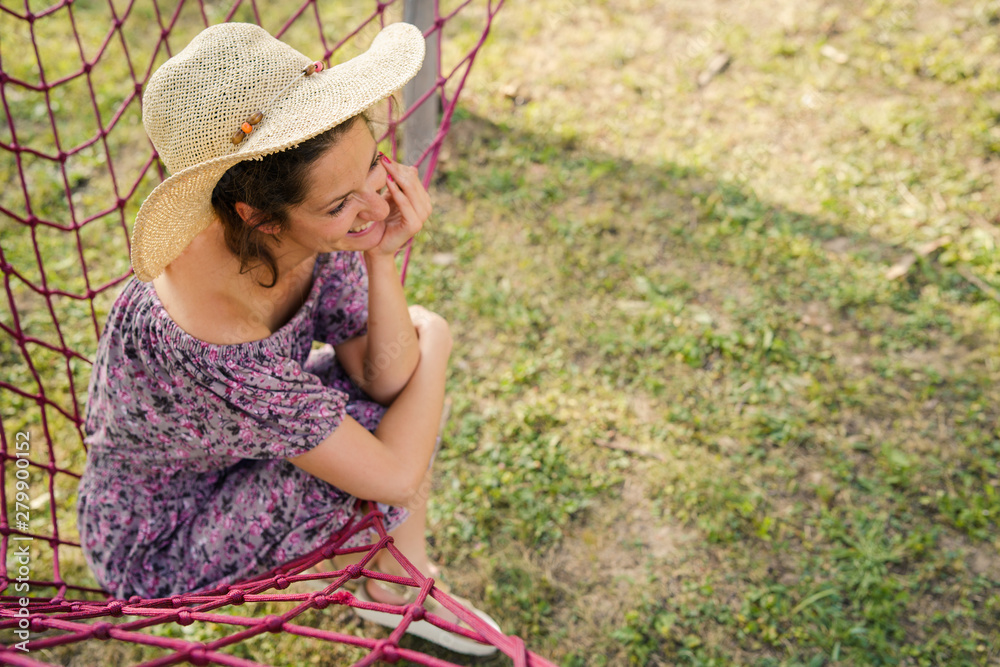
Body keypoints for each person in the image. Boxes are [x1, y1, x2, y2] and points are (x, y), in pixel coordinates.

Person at [75, 21, 499, 656]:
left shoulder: (306, 231)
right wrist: (434, 334)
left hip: (242, 453)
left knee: (383, 399)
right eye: (340, 205)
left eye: (373, 168)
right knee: (385, 419)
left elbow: (379, 372)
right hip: (166, 534)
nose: (377, 208)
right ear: (259, 216)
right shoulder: (212, 337)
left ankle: (398, 585)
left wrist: (380, 259)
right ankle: (401, 590)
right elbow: (392, 472)